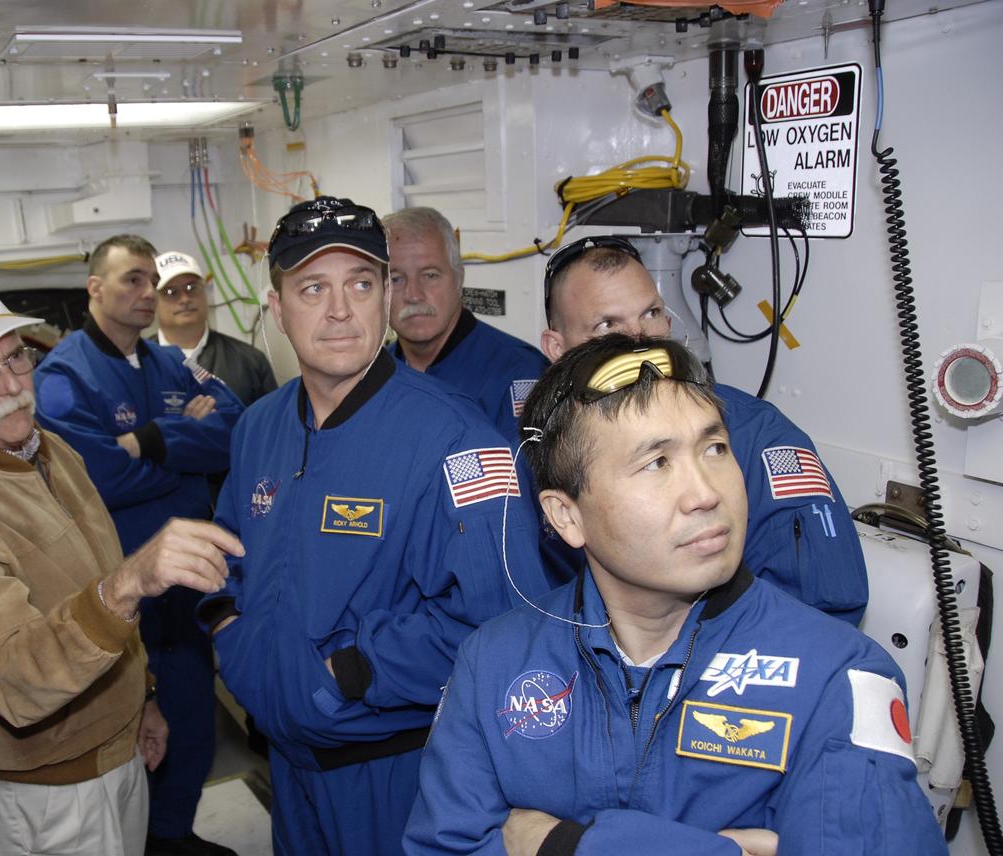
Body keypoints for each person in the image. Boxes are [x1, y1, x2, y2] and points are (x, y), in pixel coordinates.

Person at [404, 334, 946, 856]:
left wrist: (562, 844)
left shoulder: (836, 676)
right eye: (656, 463)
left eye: (714, 448)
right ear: (566, 515)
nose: (707, 494)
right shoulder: (494, 664)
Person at [199, 196, 550, 855]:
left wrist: (349, 673)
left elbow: (506, 622)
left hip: (397, 773)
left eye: (361, 284)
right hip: (287, 766)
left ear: (386, 296)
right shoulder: (259, 427)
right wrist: (227, 628)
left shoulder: (459, 442)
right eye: (312, 288)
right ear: (277, 310)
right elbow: (228, 552)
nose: (339, 311)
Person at [0, 271, 243, 856]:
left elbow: (89, 579)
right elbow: (12, 678)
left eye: (16, 358)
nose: (11, 385)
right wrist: (128, 584)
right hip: (46, 788)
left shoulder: (49, 450)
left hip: (116, 750)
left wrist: (144, 696)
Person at [35, 235, 243, 856]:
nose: (148, 292)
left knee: (193, 724)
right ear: (94, 288)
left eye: (152, 279)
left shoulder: (173, 362)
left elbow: (233, 425)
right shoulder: (63, 375)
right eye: (131, 279)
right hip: (120, 589)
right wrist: (185, 451)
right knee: (129, 732)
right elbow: (97, 477)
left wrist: (150, 440)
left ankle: (175, 836)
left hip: (189, 585)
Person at [539, 236, 867, 624]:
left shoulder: (758, 436)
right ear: (557, 349)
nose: (639, 340)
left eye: (651, 313)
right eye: (607, 325)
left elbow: (820, 617)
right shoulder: (543, 446)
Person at [384, 206, 549, 441]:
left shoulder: (519, 372)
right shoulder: (374, 374)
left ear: (459, 279)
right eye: (396, 278)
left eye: (430, 275)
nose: (414, 294)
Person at [155, 249, 278, 407]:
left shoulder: (250, 362)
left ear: (205, 292)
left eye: (192, 288)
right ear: (153, 300)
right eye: (170, 292)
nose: (184, 299)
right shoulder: (138, 364)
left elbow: (273, 425)